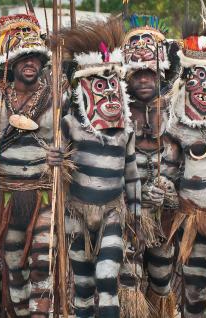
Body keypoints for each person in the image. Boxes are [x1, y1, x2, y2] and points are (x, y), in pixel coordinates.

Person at [0, 13, 59, 317]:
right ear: (10, 64)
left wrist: (59, 157)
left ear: (42, 63)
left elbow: (70, 144)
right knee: (14, 266)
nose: (30, 63)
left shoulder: (56, 100)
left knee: (42, 261)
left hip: (43, 194)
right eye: (24, 57)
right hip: (8, 195)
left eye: (36, 58)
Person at [59, 18, 142, 317]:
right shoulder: (69, 125)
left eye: (112, 84)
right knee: (82, 285)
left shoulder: (126, 132)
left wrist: (136, 216)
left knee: (107, 278)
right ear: (82, 90)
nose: (107, 92)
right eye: (98, 84)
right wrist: (56, 160)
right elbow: (56, 168)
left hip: (111, 211)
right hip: (76, 213)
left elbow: (131, 176)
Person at [163, 19, 206, 317]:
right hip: (192, 217)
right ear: (186, 78)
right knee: (194, 293)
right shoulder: (178, 121)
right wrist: (163, 188)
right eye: (198, 76)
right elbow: (168, 167)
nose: (205, 85)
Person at [119, 14, 178, 317]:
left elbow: (185, 158)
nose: (143, 80)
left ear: (161, 74)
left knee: (161, 274)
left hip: (161, 212)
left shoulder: (175, 108)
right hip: (125, 209)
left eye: (149, 73)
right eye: (137, 74)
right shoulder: (114, 106)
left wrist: (169, 189)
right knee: (125, 275)